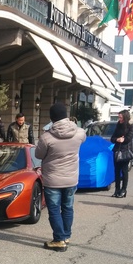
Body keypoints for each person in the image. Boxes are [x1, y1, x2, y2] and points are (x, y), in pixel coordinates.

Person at [35, 103, 86, 252]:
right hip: (71, 178)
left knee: (55, 210)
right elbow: (83, 138)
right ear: (66, 116)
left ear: (52, 118)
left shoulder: (47, 137)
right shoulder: (79, 133)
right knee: (68, 207)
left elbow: (38, 155)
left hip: (52, 179)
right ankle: (66, 235)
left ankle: (59, 240)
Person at [110, 109, 133, 198]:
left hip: (125, 151)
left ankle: (124, 190)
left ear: (125, 117)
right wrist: (117, 139)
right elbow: (112, 138)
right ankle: (117, 189)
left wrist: (123, 139)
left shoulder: (131, 126)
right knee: (116, 171)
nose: (119, 118)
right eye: (118, 117)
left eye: (121, 117)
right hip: (117, 150)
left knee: (124, 171)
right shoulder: (118, 125)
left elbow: (129, 138)